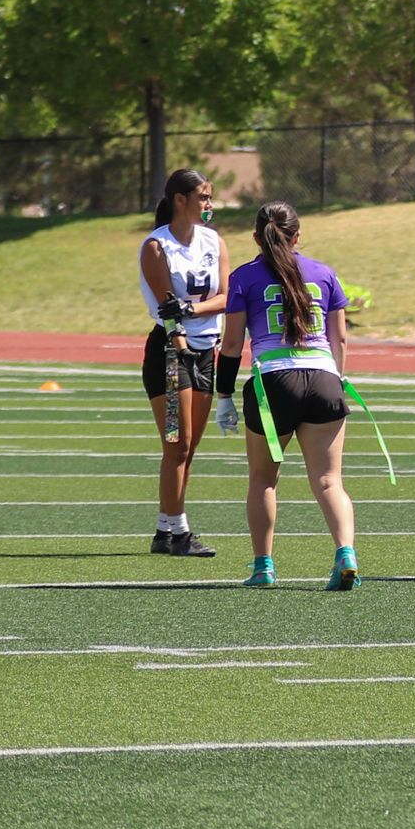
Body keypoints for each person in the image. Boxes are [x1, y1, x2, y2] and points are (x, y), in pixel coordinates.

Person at [217, 200, 361, 590]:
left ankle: (264, 567)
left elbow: (231, 343)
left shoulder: (244, 277)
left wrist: (224, 395)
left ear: (255, 237)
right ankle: (345, 553)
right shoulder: (325, 273)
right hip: (324, 377)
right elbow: (340, 339)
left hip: (273, 382)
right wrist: (337, 378)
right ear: (298, 236)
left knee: (263, 479)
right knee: (330, 480)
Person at [139, 169, 227, 558]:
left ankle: (166, 530)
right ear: (181, 200)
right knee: (178, 444)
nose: (209, 205)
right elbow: (166, 308)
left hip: (208, 351)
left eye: (210, 198)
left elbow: (227, 296)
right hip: (172, 354)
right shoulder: (156, 246)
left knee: (189, 449)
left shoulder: (214, 241)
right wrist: (180, 335)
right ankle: (177, 532)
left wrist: (193, 308)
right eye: (203, 198)